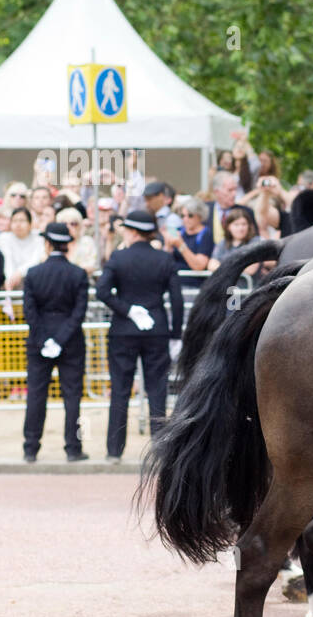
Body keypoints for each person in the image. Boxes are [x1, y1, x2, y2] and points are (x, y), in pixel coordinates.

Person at [95, 209, 183, 463]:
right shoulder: (164, 259)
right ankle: (160, 449)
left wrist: (127, 310)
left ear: (132, 231)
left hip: (123, 330)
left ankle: (114, 451)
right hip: (156, 329)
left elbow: (102, 291)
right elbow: (176, 300)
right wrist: (175, 333)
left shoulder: (119, 257)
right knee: (157, 389)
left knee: (120, 390)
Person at [21, 222, 90, 463]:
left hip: (40, 342)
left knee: (36, 395)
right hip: (70, 342)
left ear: (48, 243)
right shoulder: (78, 274)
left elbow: (30, 312)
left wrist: (44, 339)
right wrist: (60, 339)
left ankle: (30, 448)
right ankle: (73, 448)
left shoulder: (33, 273)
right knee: (72, 397)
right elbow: (79, 312)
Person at [166, 196, 215, 291]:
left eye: (190, 215)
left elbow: (199, 266)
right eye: (182, 216)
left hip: (193, 286)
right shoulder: (179, 231)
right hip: (174, 284)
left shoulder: (205, 234)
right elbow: (167, 260)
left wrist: (181, 245)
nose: (186, 219)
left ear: (200, 216)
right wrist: (168, 246)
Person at [0, 206, 43, 289]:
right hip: (11, 282)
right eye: (14, 221)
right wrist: (10, 278)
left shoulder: (39, 238)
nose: (18, 224)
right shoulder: (4, 238)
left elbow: (35, 260)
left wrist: (19, 273)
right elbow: (7, 260)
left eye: (22, 221)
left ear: (30, 224)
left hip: (34, 281)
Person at [208, 205, 262, 275]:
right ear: (228, 227)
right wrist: (237, 268)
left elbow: (250, 270)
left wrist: (223, 268)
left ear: (249, 226)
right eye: (236, 225)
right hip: (227, 285)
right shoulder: (223, 242)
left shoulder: (255, 242)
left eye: (244, 224)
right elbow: (211, 265)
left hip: (246, 285)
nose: (240, 228)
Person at [55, 207, 98, 274]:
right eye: (64, 224)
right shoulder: (55, 242)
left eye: (73, 224)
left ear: (80, 225)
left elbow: (92, 265)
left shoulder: (87, 242)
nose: (69, 227)